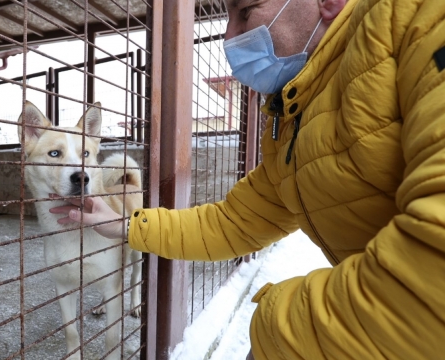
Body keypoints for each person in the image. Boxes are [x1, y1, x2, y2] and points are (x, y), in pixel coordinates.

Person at [50, 0, 445, 358]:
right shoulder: (291, 117)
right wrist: (124, 223)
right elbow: (232, 223)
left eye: (246, 10)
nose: (229, 37)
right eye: (227, 17)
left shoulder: (416, 19)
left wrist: (275, 321)